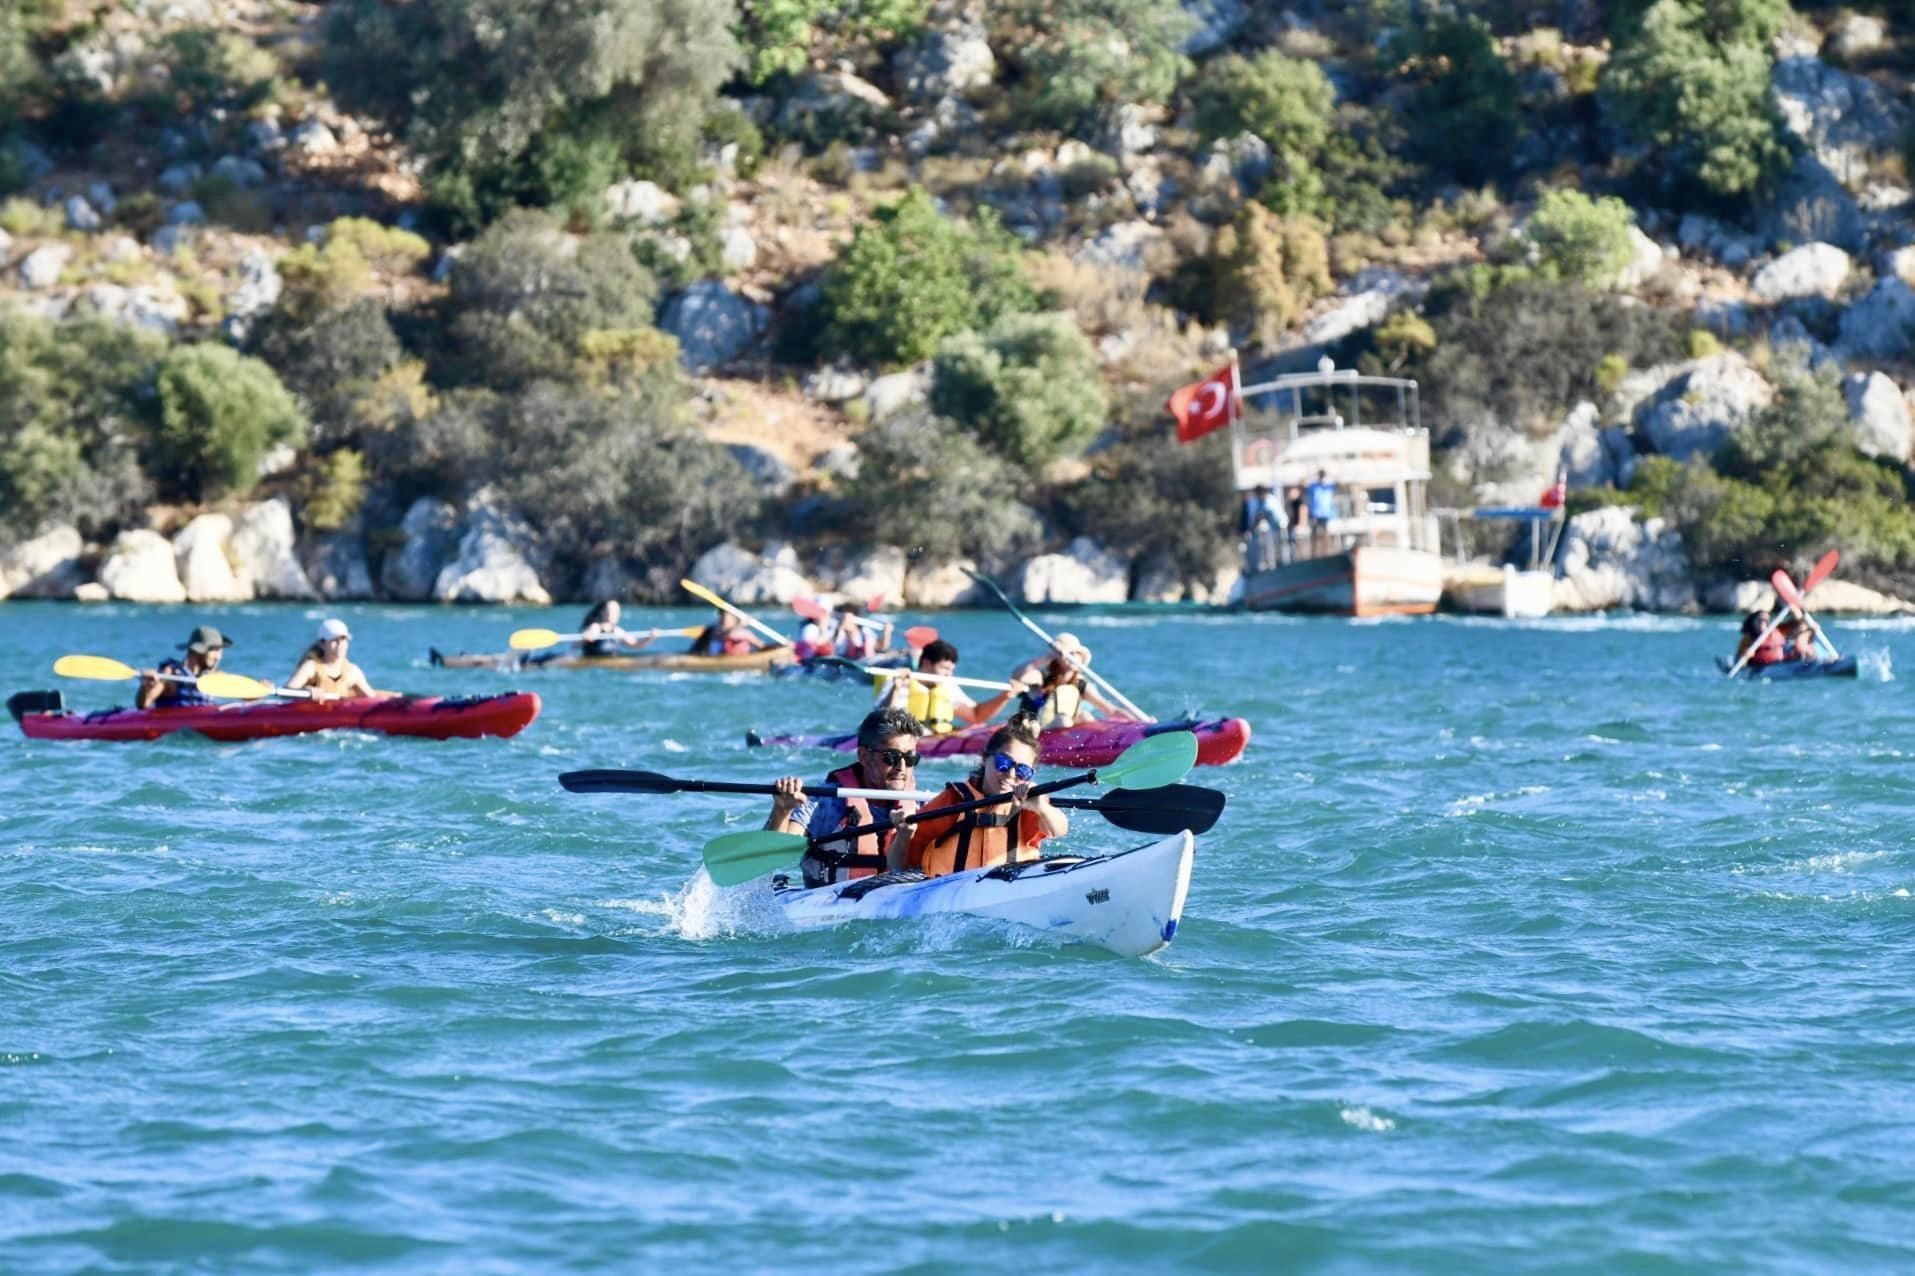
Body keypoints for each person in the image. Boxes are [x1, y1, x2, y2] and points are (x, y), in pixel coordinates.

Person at [768, 707, 924, 887]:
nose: (901, 767)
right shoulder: (826, 802)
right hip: (826, 904)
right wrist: (783, 810)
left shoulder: (921, 806)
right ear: (864, 756)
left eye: (910, 758)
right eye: (891, 757)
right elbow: (774, 856)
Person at [905, 718, 1067, 878]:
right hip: (950, 891)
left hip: (1008, 893)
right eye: (1003, 762)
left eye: (1022, 771)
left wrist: (1041, 808)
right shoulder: (954, 799)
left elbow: (1059, 830)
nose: (1010, 774)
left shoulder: (1031, 802)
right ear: (985, 757)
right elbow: (912, 849)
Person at [875, 638, 1018, 734]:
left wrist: (1005, 696)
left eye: (951, 670)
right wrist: (896, 687)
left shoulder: (947, 685)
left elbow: (976, 715)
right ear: (926, 663)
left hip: (938, 737)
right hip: (906, 738)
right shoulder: (898, 681)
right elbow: (882, 718)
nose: (949, 675)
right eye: (944, 668)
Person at [1006, 633, 1131, 728]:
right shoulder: (1041, 677)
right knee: (1063, 720)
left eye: (1077, 653)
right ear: (1057, 658)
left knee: (1085, 717)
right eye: (1070, 653)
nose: (1074, 657)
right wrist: (1046, 658)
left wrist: (1141, 723)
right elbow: (1017, 676)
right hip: (1035, 729)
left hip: (1063, 727)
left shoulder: (1080, 684)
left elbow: (1111, 710)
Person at [285, 618, 389, 700]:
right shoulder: (311, 667)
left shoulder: (353, 671)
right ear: (322, 643)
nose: (340, 645)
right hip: (311, 719)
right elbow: (287, 691)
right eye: (334, 640)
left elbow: (371, 698)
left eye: (343, 639)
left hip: (340, 723)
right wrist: (306, 691)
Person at [137, 624, 233, 709]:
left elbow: (246, 697)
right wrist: (145, 686)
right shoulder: (171, 675)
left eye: (220, 651)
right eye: (215, 651)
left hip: (202, 726)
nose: (219, 657)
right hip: (176, 727)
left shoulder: (214, 675)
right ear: (198, 650)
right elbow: (144, 704)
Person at [690, 609, 769, 656]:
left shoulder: (743, 632)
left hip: (735, 657)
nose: (724, 619)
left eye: (727, 616)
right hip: (707, 657)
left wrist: (777, 647)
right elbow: (727, 634)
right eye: (723, 616)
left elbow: (762, 646)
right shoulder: (714, 629)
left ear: (734, 618)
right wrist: (741, 625)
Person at [1306, 468, 1338, 557]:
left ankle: (1327, 554)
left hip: (1325, 515)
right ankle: (1313, 556)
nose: (1322, 478)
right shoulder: (1313, 486)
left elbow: (1339, 482)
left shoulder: (1329, 486)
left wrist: (1330, 474)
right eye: (1320, 476)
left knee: (1325, 535)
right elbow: (1303, 482)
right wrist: (1312, 474)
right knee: (1314, 536)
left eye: (1323, 476)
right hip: (1314, 515)